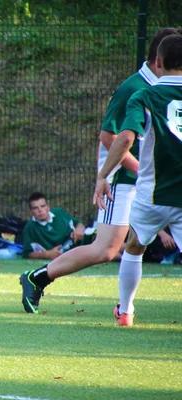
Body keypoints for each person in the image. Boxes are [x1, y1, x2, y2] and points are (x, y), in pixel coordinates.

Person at [19, 28, 181, 315]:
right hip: (126, 180)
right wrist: (143, 171)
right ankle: (38, 277)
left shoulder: (167, 89)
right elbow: (109, 136)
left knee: (126, 247)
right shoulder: (134, 88)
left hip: (155, 183)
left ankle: (125, 309)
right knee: (105, 250)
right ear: (159, 59)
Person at [93, 34, 182, 326]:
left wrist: (103, 175)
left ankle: (126, 311)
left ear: (158, 61)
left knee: (134, 246)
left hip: (152, 194)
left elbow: (125, 138)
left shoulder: (144, 96)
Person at [22, 192, 86, 260]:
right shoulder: (29, 228)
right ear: (31, 212)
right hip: (63, 257)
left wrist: (79, 229)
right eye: (35, 208)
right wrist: (47, 254)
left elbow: (79, 223)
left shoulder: (59, 212)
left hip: (82, 246)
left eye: (43, 206)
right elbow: (27, 254)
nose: (40, 210)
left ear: (48, 207)